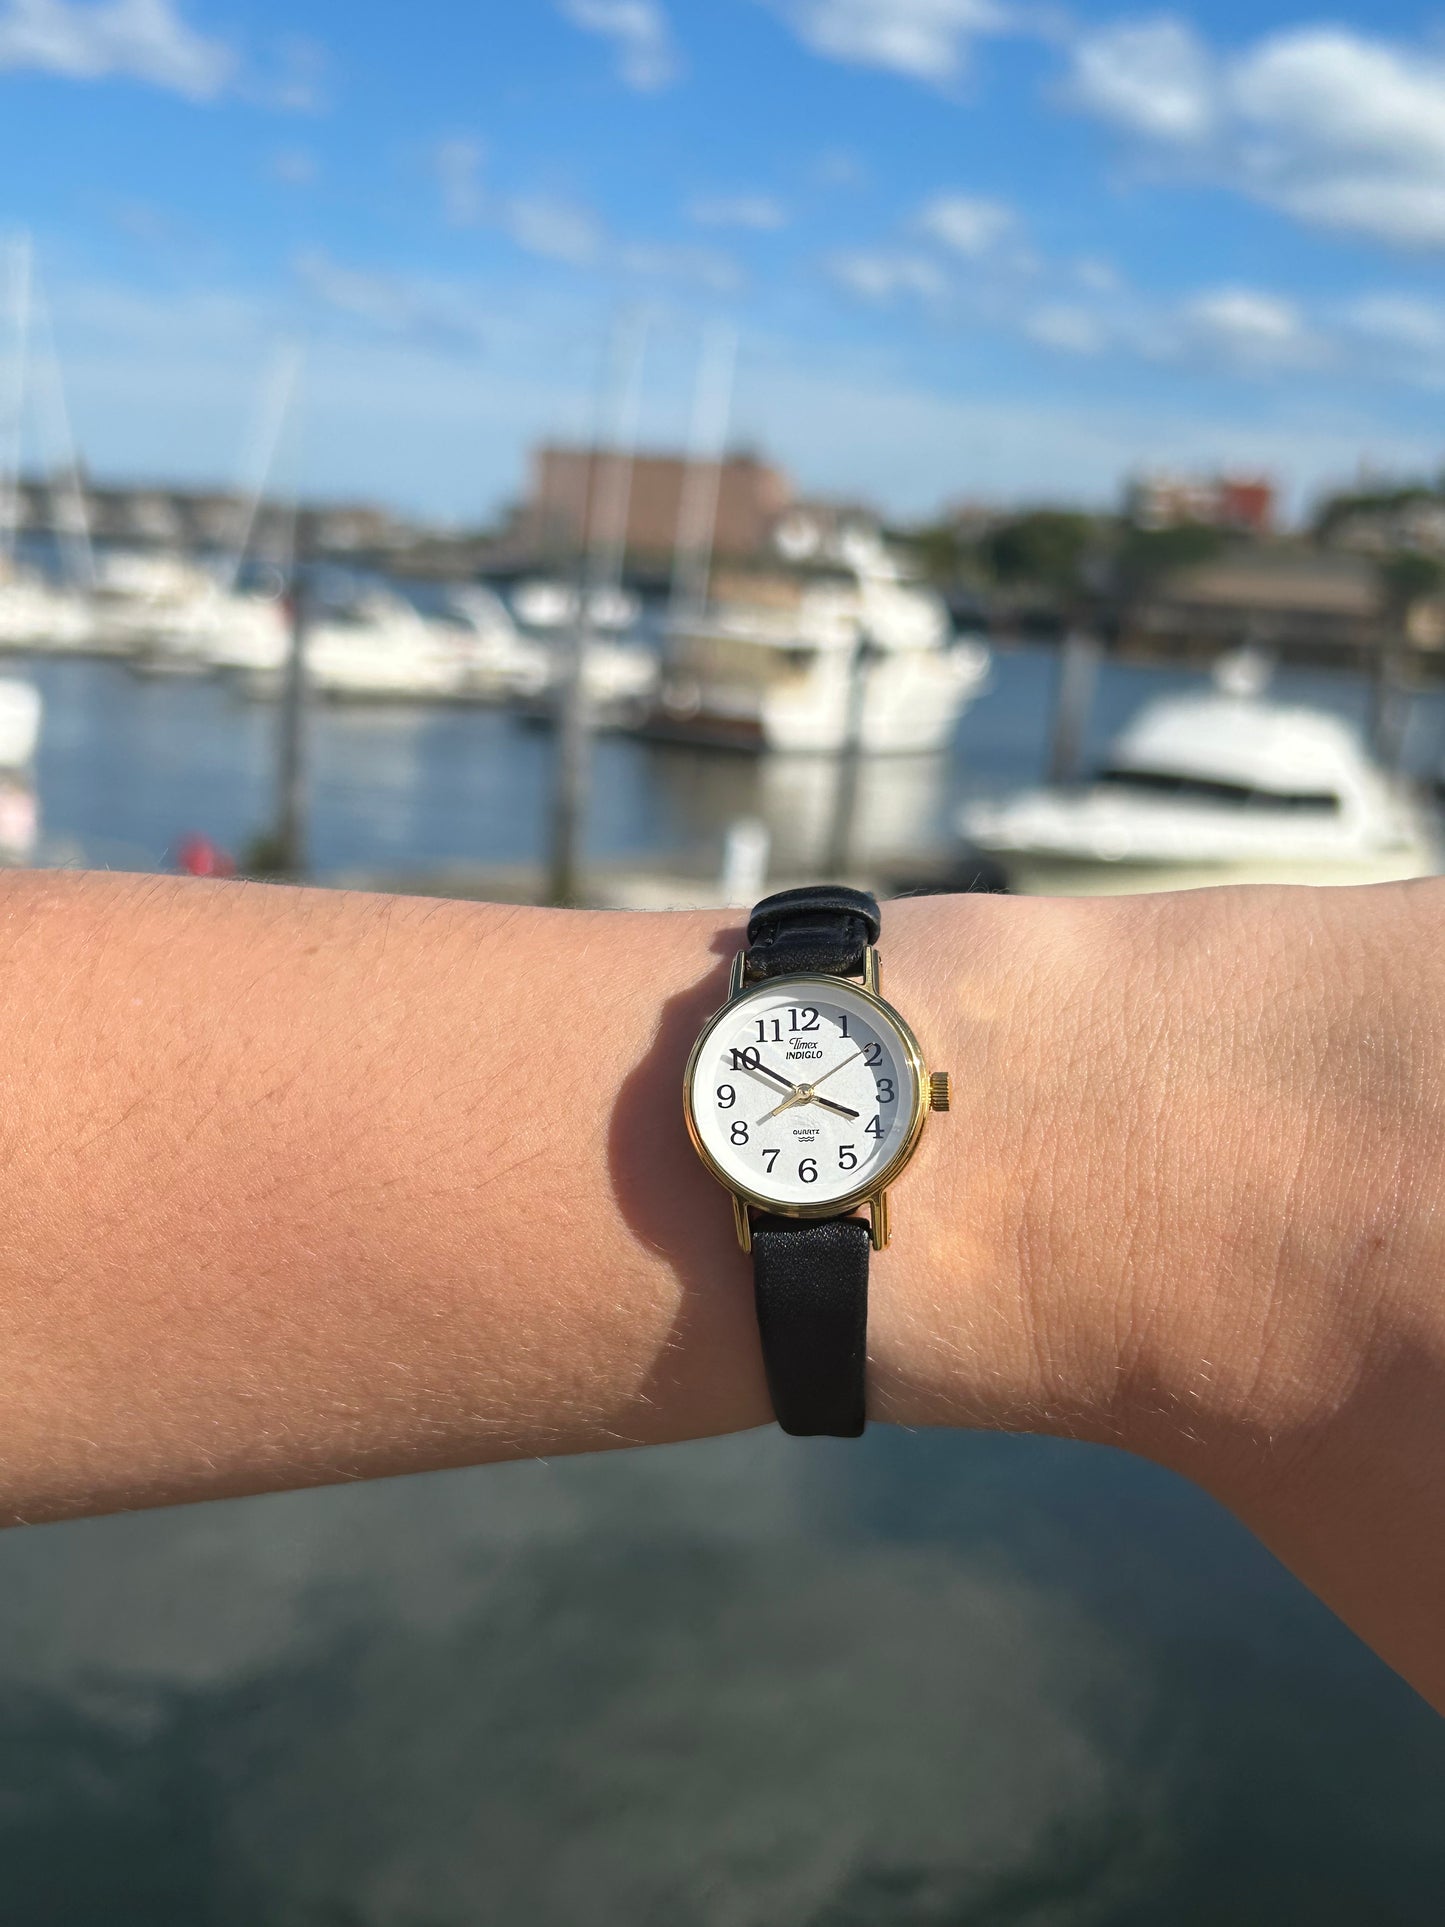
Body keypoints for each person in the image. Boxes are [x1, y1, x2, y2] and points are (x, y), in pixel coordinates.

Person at [0, 870, 1441, 1713]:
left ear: (913, 1102)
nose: (809, 1088)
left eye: (843, 1079)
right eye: (783, 1071)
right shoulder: (775, 1108)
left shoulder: (857, 1114)